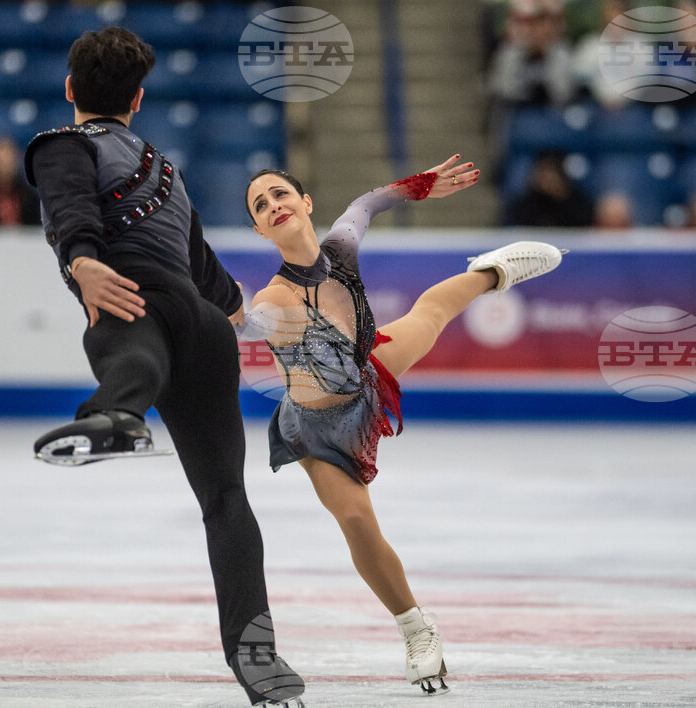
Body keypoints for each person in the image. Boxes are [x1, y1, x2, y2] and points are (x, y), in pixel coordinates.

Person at [23, 27, 304, 707]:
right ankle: (254, 649)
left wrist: (83, 260)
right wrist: (244, 317)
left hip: (132, 298)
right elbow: (205, 269)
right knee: (225, 499)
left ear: (69, 91)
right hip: (205, 326)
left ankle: (116, 416)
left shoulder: (63, 144)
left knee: (129, 348)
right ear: (139, 99)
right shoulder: (165, 170)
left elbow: (69, 205)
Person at [239, 158, 564, 695]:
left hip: (368, 375)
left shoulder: (340, 247)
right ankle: (416, 627)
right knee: (357, 522)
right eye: (261, 205)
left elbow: (367, 203)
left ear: (305, 204)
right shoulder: (272, 298)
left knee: (433, 310)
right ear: (258, 228)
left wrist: (417, 187)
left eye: (280, 195)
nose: (274, 206)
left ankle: (491, 271)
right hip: (317, 429)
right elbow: (252, 328)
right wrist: (230, 315)